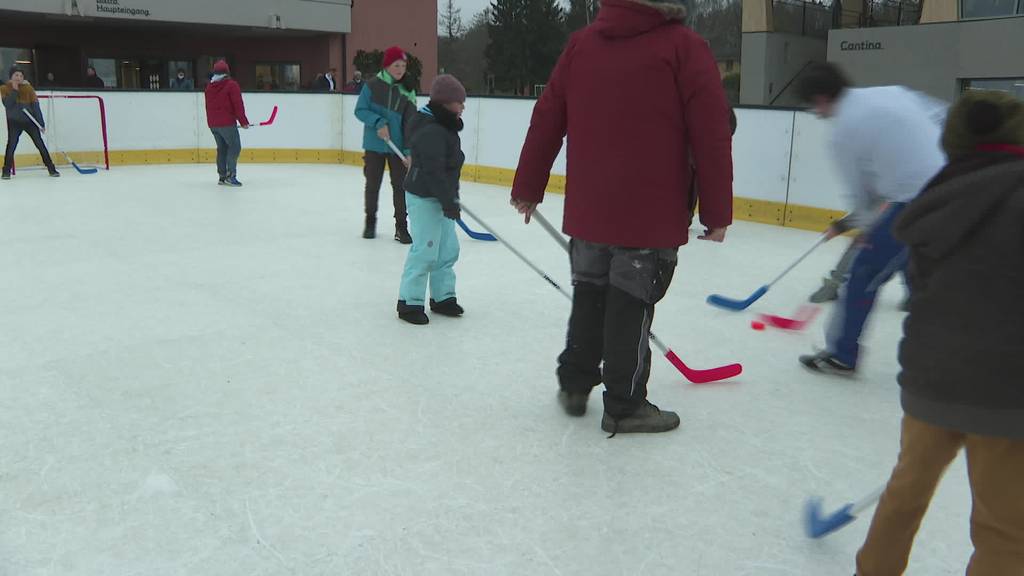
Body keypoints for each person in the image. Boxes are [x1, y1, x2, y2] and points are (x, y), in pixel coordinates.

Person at [510, 0, 734, 435]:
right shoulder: (684, 47)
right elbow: (711, 132)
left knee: (590, 296)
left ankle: (575, 384)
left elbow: (548, 115)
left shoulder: (582, 44)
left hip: (590, 209)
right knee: (630, 306)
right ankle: (625, 405)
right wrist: (717, 210)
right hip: (648, 214)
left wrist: (527, 186)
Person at [852, 90, 1024, 576]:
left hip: (931, 379)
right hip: (1008, 393)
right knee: (1004, 528)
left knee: (905, 492)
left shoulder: (935, 197)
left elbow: (924, 289)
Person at [794, 63, 945, 375]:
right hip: (956, 186)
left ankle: (841, 354)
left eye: (812, 105)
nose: (815, 112)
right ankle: (947, 353)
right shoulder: (892, 92)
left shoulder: (842, 133)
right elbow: (944, 116)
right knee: (921, 266)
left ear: (821, 99)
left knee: (864, 271)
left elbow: (861, 196)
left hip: (918, 202)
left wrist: (863, 229)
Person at [397, 75, 468, 325]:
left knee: (447, 249)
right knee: (426, 250)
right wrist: (449, 201)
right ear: (446, 103)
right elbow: (434, 171)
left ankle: (443, 297)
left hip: (441, 196)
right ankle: (409, 301)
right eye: (460, 102)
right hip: (424, 196)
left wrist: (451, 198)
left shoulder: (445, 126)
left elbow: (449, 169)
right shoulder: (430, 130)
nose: (463, 107)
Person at [354, 46, 417, 243]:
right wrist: (378, 122)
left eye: (403, 65)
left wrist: (408, 150)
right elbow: (360, 110)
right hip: (374, 145)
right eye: (396, 65)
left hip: (397, 147)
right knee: (373, 184)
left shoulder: (408, 90)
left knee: (400, 186)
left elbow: (411, 123)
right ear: (387, 66)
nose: (400, 69)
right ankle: (370, 222)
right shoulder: (372, 85)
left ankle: (401, 227)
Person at [2, 68, 59, 179]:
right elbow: (7, 104)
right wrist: (14, 90)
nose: (18, 78)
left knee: (40, 144)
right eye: (16, 75)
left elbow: (35, 106)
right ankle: (6, 171)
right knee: (11, 146)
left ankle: (51, 168)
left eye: (21, 76)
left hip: (30, 122)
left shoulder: (28, 89)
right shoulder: (4, 89)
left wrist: (41, 123)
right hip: (14, 122)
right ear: (11, 77)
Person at [204, 60, 250, 187]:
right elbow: (238, 105)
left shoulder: (209, 87)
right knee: (235, 147)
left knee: (222, 148)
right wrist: (244, 122)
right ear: (227, 72)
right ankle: (231, 176)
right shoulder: (231, 85)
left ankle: (222, 176)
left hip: (213, 124)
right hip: (227, 123)